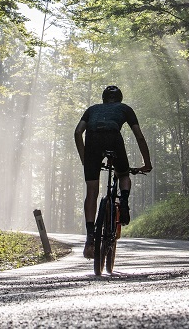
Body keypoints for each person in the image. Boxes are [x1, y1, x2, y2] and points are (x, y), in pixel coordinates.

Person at [74, 85, 153, 259]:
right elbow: (139, 136)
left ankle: (89, 239)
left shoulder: (92, 109)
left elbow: (78, 132)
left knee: (92, 191)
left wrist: (85, 159)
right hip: (113, 137)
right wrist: (147, 163)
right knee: (123, 174)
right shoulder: (125, 109)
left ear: (103, 99)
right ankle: (123, 202)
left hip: (92, 141)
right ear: (120, 99)